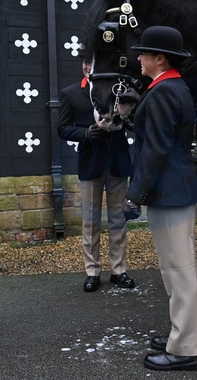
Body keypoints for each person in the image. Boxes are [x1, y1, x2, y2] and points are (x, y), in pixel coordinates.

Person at [122, 26, 197, 371]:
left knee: (178, 271)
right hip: (175, 188)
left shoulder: (162, 92)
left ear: (160, 59)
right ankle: (181, 334)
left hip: (168, 191)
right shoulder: (172, 87)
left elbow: (154, 150)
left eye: (144, 54)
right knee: (177, 270)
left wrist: (134, 196)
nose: (139, 58)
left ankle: (184, 349)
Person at [58, 59, 135, 292]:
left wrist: (127, 113)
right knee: (90, 221)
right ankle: (92, 272)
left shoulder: (119, 91)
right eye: (86, 62)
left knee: (118, 219)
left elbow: (133, 122)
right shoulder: (71, 93)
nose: (89, 67)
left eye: (93, 62)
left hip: (117, 161)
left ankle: (118, 270)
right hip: (90, 162)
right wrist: (85, 133)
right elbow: (62, 128)